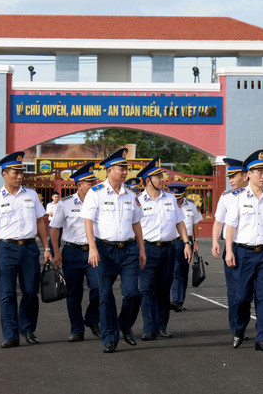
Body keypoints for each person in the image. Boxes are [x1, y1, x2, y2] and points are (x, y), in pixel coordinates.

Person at [0, 151, 53, 349]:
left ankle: (28, 329)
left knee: (30, 291)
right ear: (5, 174)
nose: (20, 176)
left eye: (22, 172)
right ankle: (10, 335)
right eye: (16, 173)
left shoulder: (31, 195)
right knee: (7, 294)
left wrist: (46, 247)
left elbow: (40, 222)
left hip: (29, 248)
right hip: (6, 249)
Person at [82, 148, 147, 353]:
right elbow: (88, 221)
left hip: (128, 249)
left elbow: (136, 223)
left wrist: (142, 249)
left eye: (126, 169)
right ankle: (109, 338)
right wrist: (92, 248)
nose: (125, 172)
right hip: (104, 250)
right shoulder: (96, 193)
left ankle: (125, 324)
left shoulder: (131, 194)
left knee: (133, 292)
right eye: (121, 168)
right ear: (109, 170)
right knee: (105, 295)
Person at [225, 149, 263, 351]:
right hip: (243, 253)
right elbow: (230, 227)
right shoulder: (238, 198)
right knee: (242, 297)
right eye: (258, 171)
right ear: (248, 174)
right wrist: (229, 250)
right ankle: (239, 328)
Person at [134, 160, 192, 340]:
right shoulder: (138, 201)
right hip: (147, 249)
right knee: (146, 289)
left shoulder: (170, 198)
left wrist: (187, 243)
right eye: (158, 177)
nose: (162, 179)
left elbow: (179, 222)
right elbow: (133, 226)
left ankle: (161, 326)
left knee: (164, 289)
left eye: (162, 176)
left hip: (168, 249)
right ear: (147, 180)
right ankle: (149, 328)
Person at [50, 162, 101, 342]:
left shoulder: (100, 201)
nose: (94, 185)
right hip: (72, 252)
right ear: (79, 185)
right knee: (74, 293)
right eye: (90, 183)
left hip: (94, 252)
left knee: (99, 288)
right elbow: (55, 229)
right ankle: (77, 329)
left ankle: (92, 318)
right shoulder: (65, 204)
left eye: (94, 182)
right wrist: (56, 252)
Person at [211, 157, 252, 340]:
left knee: (250, 292)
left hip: (254, 248)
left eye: (234, 176)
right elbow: (218, 221)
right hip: (234, 248)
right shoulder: (227, 197)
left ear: (245, 175)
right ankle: (237, 327)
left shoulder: (257, 194)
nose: (231, 180)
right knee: (234, 291)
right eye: (229, 177)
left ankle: (244, 325)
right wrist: (215, 241)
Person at [167, 182, 202, 312]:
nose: (177, 200)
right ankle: (175, 299)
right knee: (174, 270)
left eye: (179, 197)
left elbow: (195, 224)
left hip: (187, 242)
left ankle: (180, 300)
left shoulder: (191, 205)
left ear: (183, 194)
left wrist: (196, 241)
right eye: (175, 197)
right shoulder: (168, 204)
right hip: (172, 241)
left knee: (183, 271)